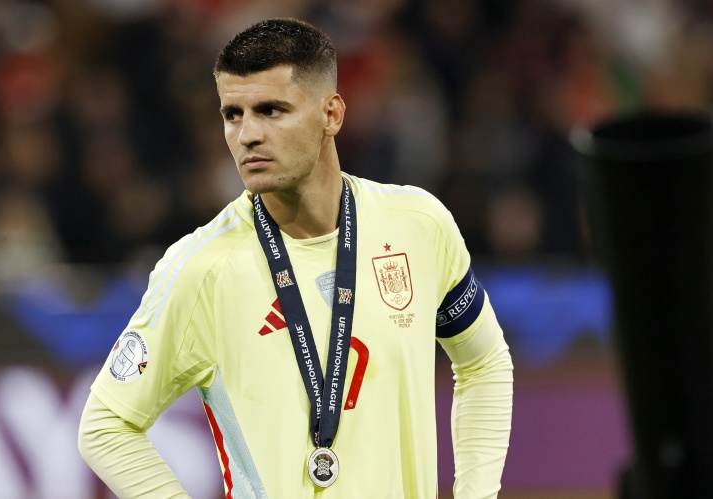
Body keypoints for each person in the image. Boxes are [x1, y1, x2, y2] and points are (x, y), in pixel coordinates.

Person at [78, 18, 513, 498]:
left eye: (271, 110)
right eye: (232, 114)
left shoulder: (418, 224)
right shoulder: (202, 269)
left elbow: (484, 362)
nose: (247, 135)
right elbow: (106, 425)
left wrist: (477, 492)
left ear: (332, 114)